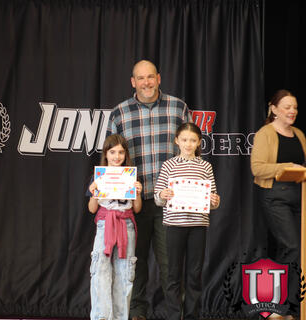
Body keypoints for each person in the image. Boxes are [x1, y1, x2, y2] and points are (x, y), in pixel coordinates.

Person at [107, 59, 191, 319]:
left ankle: (174, 313)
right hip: (135, 203)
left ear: (159, 78)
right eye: (140, 78)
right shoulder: (119, 113)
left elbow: (191, 152)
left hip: (170, 202)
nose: (146, 83)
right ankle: (137, 312)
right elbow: (111, 159)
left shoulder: (178, 108)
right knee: (135, 261)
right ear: (133, 82)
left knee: (171, 265)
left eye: (150, 77)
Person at [154, 122, 220, 320]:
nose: (188, 144)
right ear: (177, 141)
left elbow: (213, 199)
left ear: (199, 142)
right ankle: (174, 315)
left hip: (198, 225)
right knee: (173, 274)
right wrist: (163, 194)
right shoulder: (169, 165)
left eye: (193, 140)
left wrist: (215, 200)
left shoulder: (205, 166)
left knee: (194, 274)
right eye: (184, 140)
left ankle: (192, 315)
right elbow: (158, 198)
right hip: (174, 225)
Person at [251, 89, 306, 318]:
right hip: (275, 196)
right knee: (291, 246)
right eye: (287, 107)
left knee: (297, 251)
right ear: (274, 109)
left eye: (294, 107)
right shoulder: (265, 133)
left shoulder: (300, 134)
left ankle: (290, 306)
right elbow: (257, 168)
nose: (292, 111)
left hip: (299, 198)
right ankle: (276, 306)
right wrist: (285, 167)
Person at [88, 134, 143, 320]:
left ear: (125, 154)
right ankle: (102, 316)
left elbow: (137, 208)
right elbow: (92, 209)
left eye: (120, 152)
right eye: (112, 152)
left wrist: (137, 192)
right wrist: (94, 192)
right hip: (105, 224)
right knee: (101, 272)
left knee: (124, 273)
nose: (116, 156)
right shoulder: (100, 175)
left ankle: (120, 317)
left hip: (125, 224)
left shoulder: (130, 175)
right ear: (106, 153)